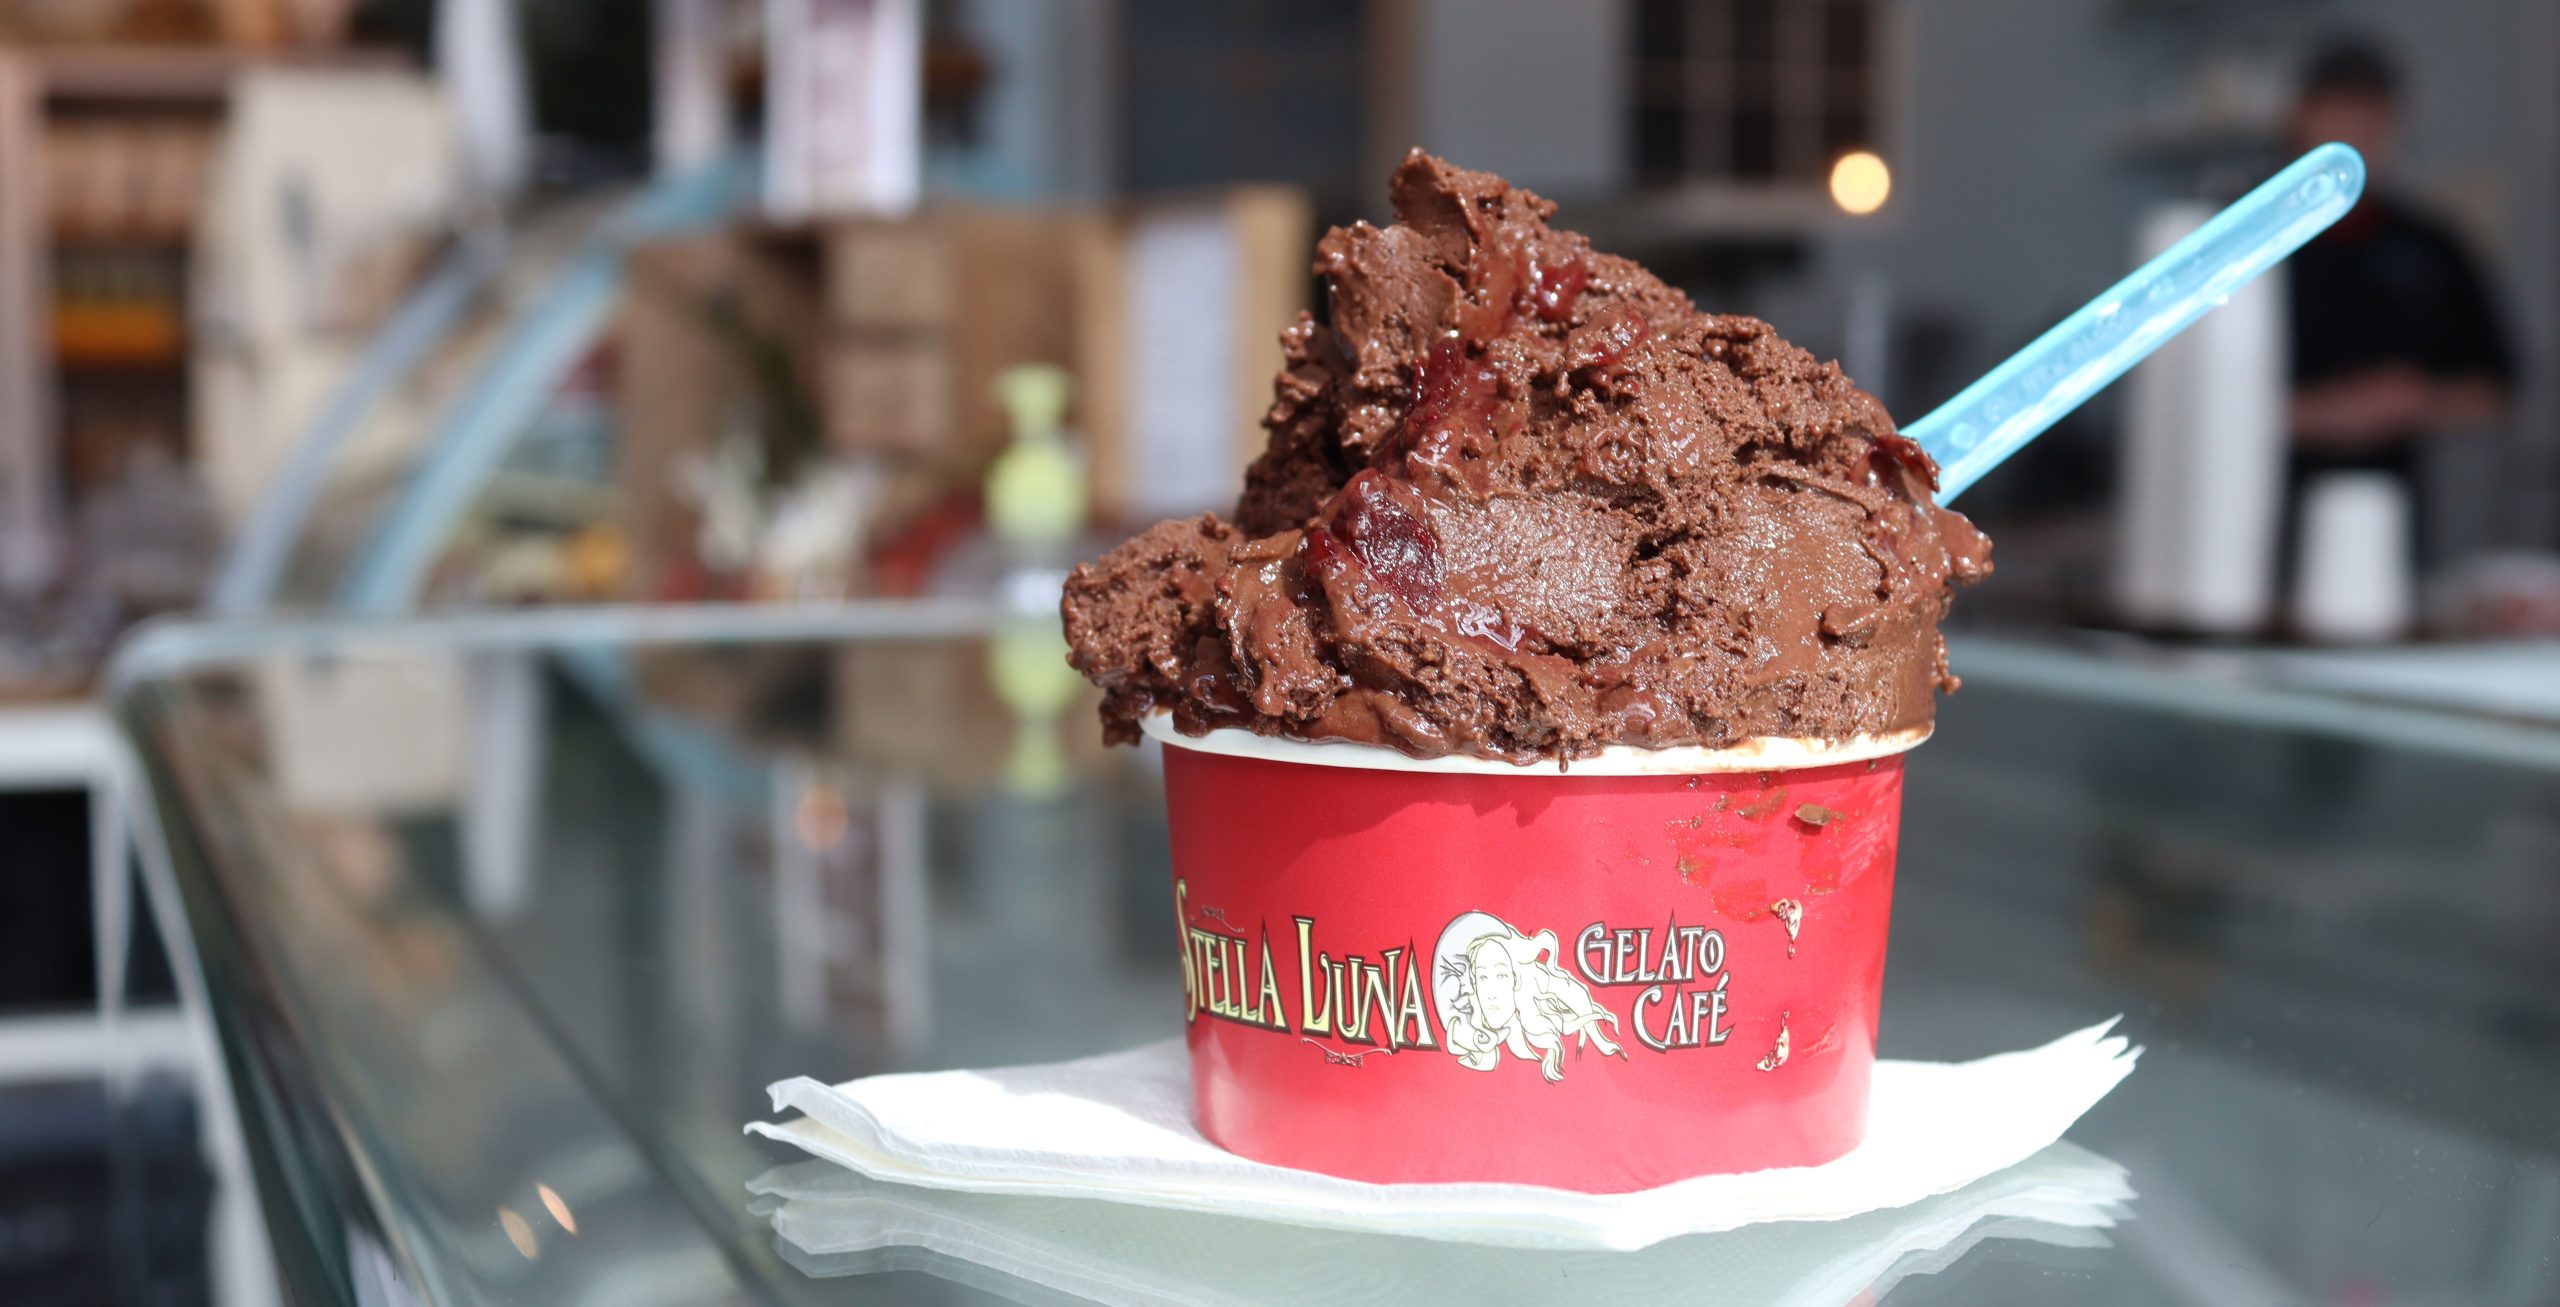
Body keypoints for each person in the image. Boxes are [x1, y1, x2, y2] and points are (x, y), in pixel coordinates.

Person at [2283, 36, 2515, 593]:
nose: (2355, 129)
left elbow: (2496, 387)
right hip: (2261, 520)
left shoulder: (2432, 245)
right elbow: (2179, 394)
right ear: (2299, 118)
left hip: (2394, 531)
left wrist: (2415, 400)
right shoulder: (2241, 245)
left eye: (2371, 113)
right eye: (2337, 110)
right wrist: (2306, 415)